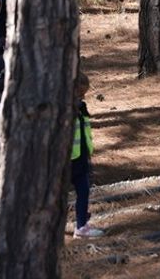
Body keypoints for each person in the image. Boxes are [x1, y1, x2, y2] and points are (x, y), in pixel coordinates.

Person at [70, 71, 105, 238]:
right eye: (80, 94)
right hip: (67, 161)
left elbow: (84, 133)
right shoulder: (63, 111)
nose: (82, 98)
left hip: (81, 158)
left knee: (83, 191)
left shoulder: (81, 109)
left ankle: (81, 225)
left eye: (83, 95)